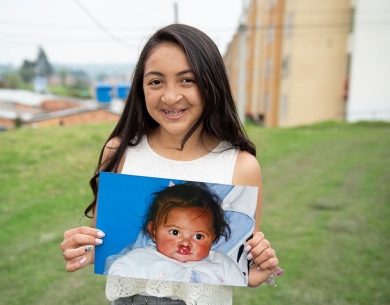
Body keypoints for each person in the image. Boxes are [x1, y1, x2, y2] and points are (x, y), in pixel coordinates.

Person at [60, 23, 282, 305]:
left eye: (187, 80)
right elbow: (108, 246)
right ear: (141, 88)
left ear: (211, 84)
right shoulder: (119, 152)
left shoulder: (242, 166)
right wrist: (85, 249)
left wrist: (258, 266)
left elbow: (241, 268)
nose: (170, 96)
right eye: (156, 81)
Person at [107, 182, 247, 286]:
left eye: (198, 236)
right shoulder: (139, 259)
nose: (185, 243)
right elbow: (117, 275)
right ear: (153, 232)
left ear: (213, 237)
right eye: (175, 232)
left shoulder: (221, 263)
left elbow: (238, 289)